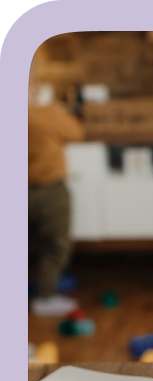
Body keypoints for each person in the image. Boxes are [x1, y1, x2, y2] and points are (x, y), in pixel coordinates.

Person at [28, 64, 85, 316]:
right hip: (49, 189)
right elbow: (77, 132)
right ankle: (45, 297)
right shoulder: (46, 113)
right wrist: (56, 108)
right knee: (55, 246)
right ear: (34, 84)